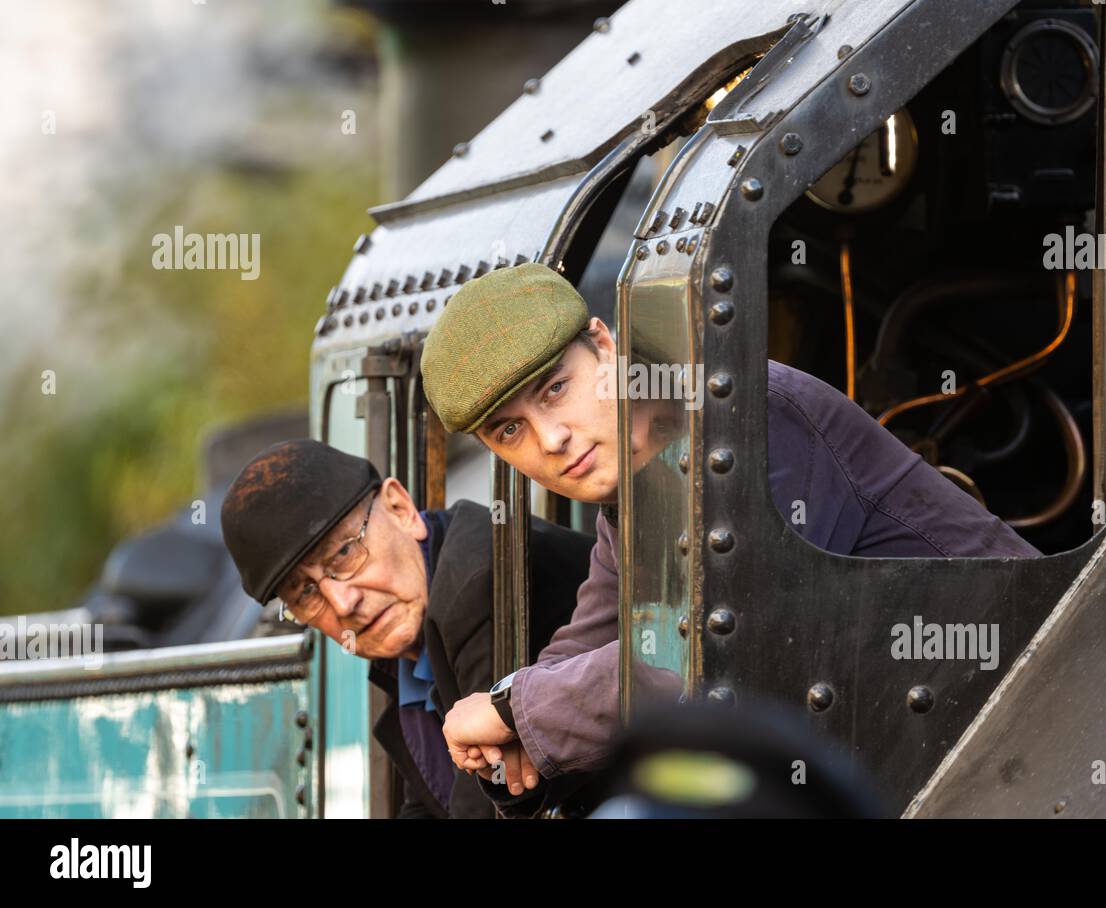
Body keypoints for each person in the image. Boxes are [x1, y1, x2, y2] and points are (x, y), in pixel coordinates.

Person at [419, 262, 1041, 815]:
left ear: (605, 346)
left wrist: (514, 711)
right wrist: (515, 734)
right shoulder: (633, 492)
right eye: (510, 433)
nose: (549, 439)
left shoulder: (747, 418)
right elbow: (588, 642)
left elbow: (716, 646)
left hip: (1023, 710)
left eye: (556, 389)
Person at [217, 438, 593, 817]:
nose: (344, 604)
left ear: (400, 509)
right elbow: (429, 805)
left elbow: (481, 809)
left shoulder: (480, 584)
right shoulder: (407, 653)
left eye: (345, 553)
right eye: (306, 594)